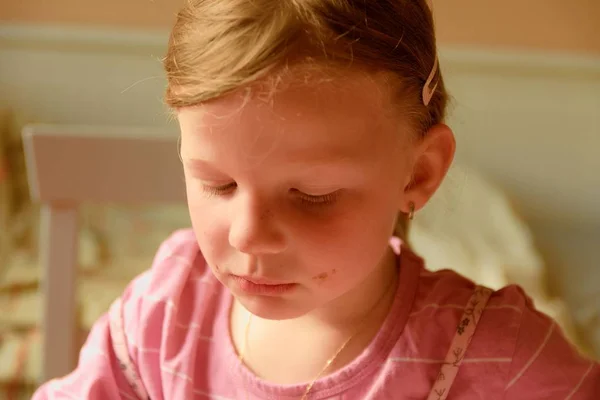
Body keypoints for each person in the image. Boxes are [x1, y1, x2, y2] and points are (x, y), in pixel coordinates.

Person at [33, 0, 599, 399]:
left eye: (312, 194)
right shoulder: (165, 310)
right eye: (217, 184)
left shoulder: (495, 355)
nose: (247, 234)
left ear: (418, 174)